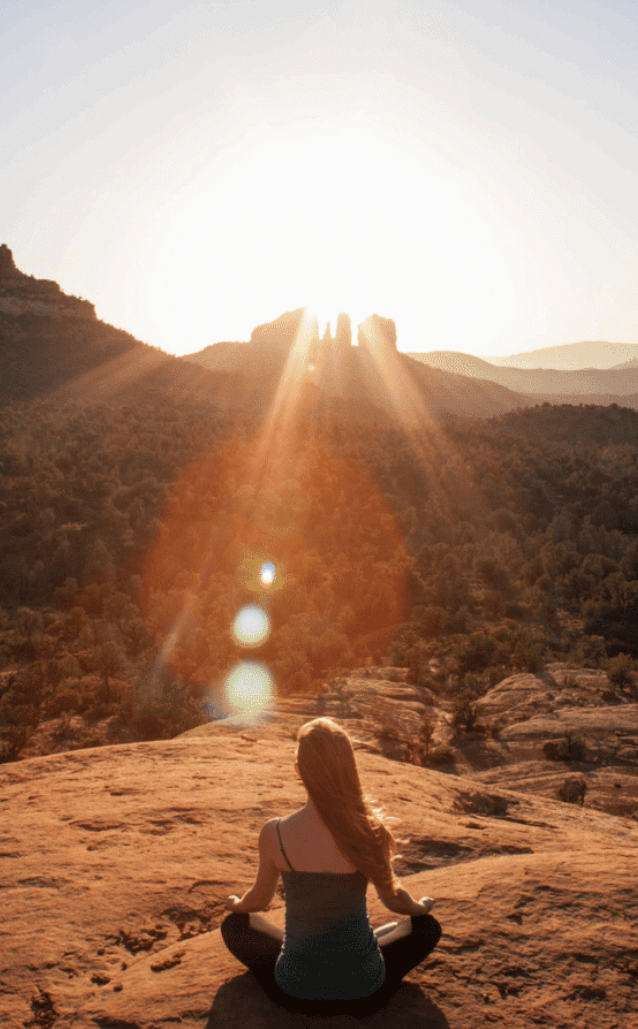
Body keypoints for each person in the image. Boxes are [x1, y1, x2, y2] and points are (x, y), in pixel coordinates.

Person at [220, 717, 442, 1017]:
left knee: (235, 925)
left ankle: (305, 957)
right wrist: (421, 906)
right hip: (364, 991)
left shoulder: (274, 833)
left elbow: (258, 901)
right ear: (348, 767)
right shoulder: (367, 831)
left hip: (294, 991)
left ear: (299, 771)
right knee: (425, 928)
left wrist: (236, 902)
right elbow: (394, 900)